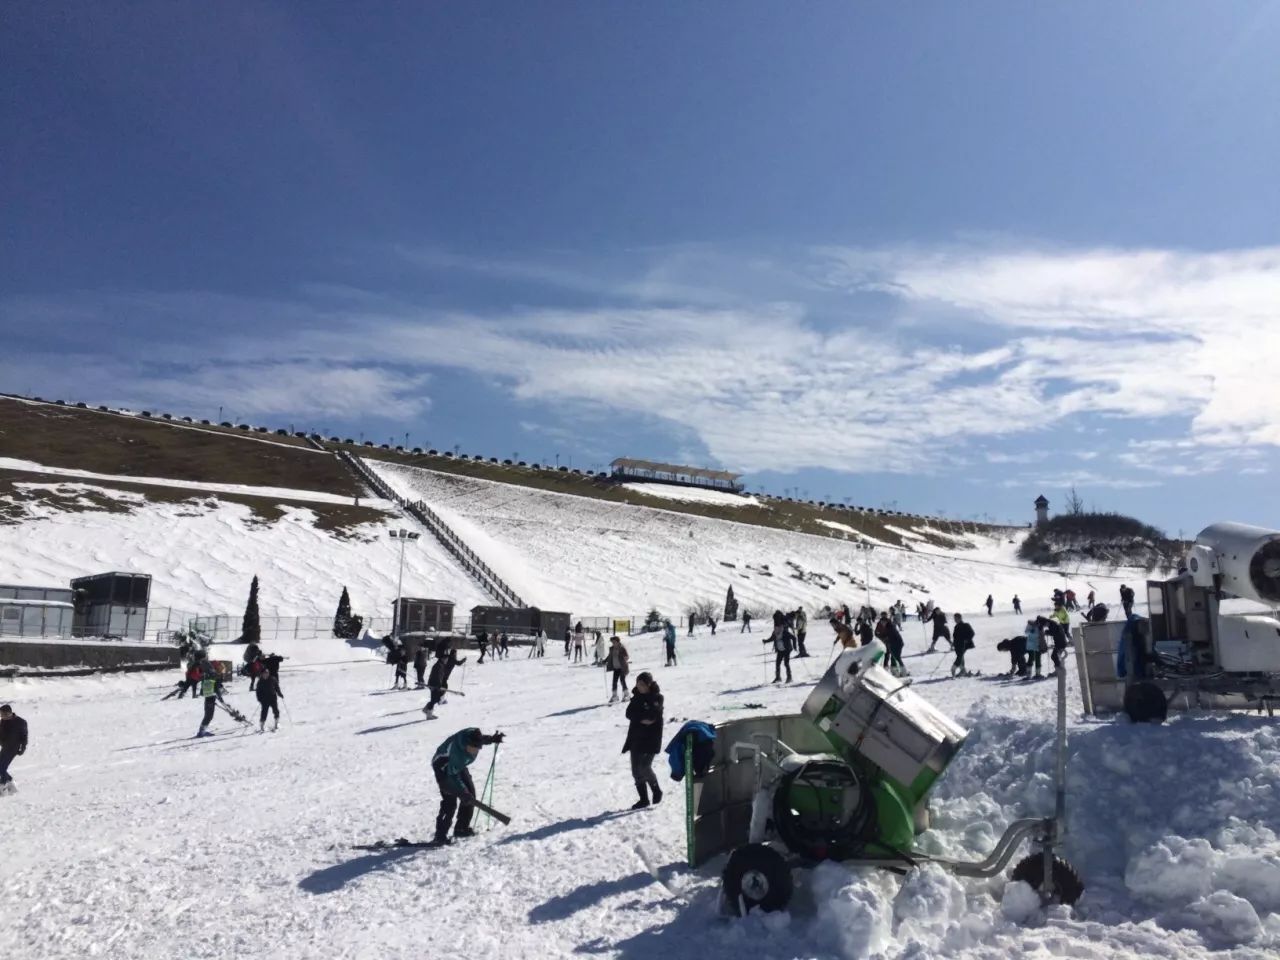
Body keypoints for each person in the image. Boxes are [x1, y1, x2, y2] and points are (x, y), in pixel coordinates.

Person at [431, 727, 505, 845]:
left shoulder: (471, 737)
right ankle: (440, 836)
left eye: (477, 748)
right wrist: (463, 792)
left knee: (470, 795)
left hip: (457, 766)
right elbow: (453, 777)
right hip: (443, 767)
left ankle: (461, 828)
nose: (474, 751)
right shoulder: (458, 754)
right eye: (472, 748)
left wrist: (491, 739)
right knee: (450, 802)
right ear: (467, 744)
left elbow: (479, 739)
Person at [622, 672, 664, 809]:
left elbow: (653, 716)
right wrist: (640, 718)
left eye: (642, 685)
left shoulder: (657, 698)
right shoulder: (636, 698)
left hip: (651, 738)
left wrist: (641, 716)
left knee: (645, 767)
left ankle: (656, 789)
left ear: (649, 685)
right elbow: (629, 714)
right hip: (636, 737)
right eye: (637, 684)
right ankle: (643, 799)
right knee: (636, 770)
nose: (639, 687)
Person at [423, 644, 467, 719]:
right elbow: (437, 677)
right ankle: (428, 713)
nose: (447, 661)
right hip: (435, 685)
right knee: (435, 699)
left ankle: (427, 709)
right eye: (446, 660)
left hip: (435, 684)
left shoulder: (440, 665)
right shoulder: (439, 666)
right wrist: (438, 685)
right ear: (443, 659)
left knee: (435, 699)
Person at [0, 704, 28, 793]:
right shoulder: (3, 721)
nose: (1, 716)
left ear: (8, 713)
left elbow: (24, 737)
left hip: (13, 748)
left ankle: (3, 786)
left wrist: (22, 748)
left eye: (2, 714)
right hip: (5, 747)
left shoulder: (21, 722)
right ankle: (11, 784)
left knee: (2, 768)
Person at [195, 671, 225, 737]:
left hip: (207, 700)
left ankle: (202, 731)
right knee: (209, 717)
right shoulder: (214, 682)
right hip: (211, 700)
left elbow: (201, 693)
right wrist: (220, 699)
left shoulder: (206, 682)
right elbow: (217, 691)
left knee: (207, 716)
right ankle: (201, 732)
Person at [607, 636, 631, 703]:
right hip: (616, 668)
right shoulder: (612, 649)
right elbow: (609, 656)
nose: (613, 643)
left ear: (618, 642)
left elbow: (627, 656)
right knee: (614, 681)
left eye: (614, 642)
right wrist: (604, 661)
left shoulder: (622, 648)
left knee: (622, 680)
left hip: (622, 668)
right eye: (612, 642)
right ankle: (615, 696)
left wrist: (624, 659)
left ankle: (626, 694)